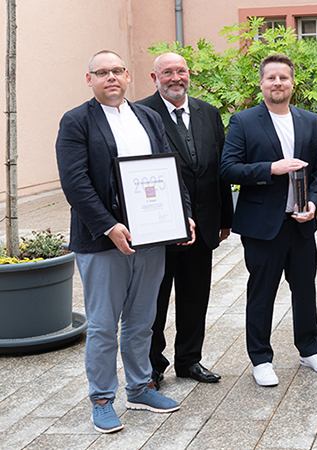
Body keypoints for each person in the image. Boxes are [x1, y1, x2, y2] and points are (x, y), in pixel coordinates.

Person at [56, 50, 193, 433]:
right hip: (103, 241)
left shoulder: (147, 117)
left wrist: (182, 214)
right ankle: (102, 398)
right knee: (103, 325)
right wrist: (109, 226)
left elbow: (169, 169)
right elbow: (75, 183)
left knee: (142, 320)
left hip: (151, 236)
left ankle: (139, 387)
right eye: (102, 72)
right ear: (90, 80)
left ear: (128, 76)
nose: (111, 77)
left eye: (117, 70)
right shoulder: (77, 121)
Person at [220, 54, 317, 387]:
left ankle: (310, 349)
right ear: (261, 83)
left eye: (283, 77)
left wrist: (313, 202)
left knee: (305, 288)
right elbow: (228, 168)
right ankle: (260, 358)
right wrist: (271, 168)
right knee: (262, 292)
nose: (277, 83)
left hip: (300, 222)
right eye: (271, 77)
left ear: (292, 83)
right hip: (262, 226)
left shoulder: (310, 120)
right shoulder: (244, 121)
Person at [139, 52, 233, 388]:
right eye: (167, 72)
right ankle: (153, 365)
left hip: (204, 225)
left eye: (180, 71)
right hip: (160, 227)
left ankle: (189, 360)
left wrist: (225, 218)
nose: (175, 78)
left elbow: (220, 169)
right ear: (155, 78)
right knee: (155, 301)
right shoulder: (141, 113)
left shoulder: (208, 113)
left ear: (189, 74)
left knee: (195, 297)